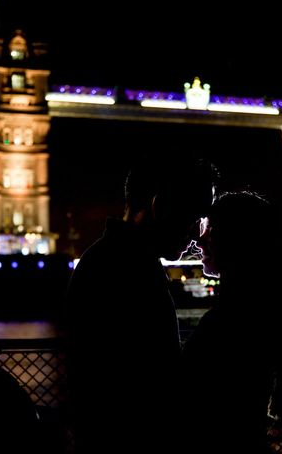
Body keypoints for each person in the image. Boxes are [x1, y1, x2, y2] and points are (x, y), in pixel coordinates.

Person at [63, 151, 217, 454]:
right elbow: (154, 383)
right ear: (162, 207)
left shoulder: (107, 259)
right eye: (195, 218)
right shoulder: (131, 270)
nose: (196, 235)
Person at [178, 190, 282, 454]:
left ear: (237, 239)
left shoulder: (229, 322)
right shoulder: (263, 311)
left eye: (211, 228)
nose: (200, 239)